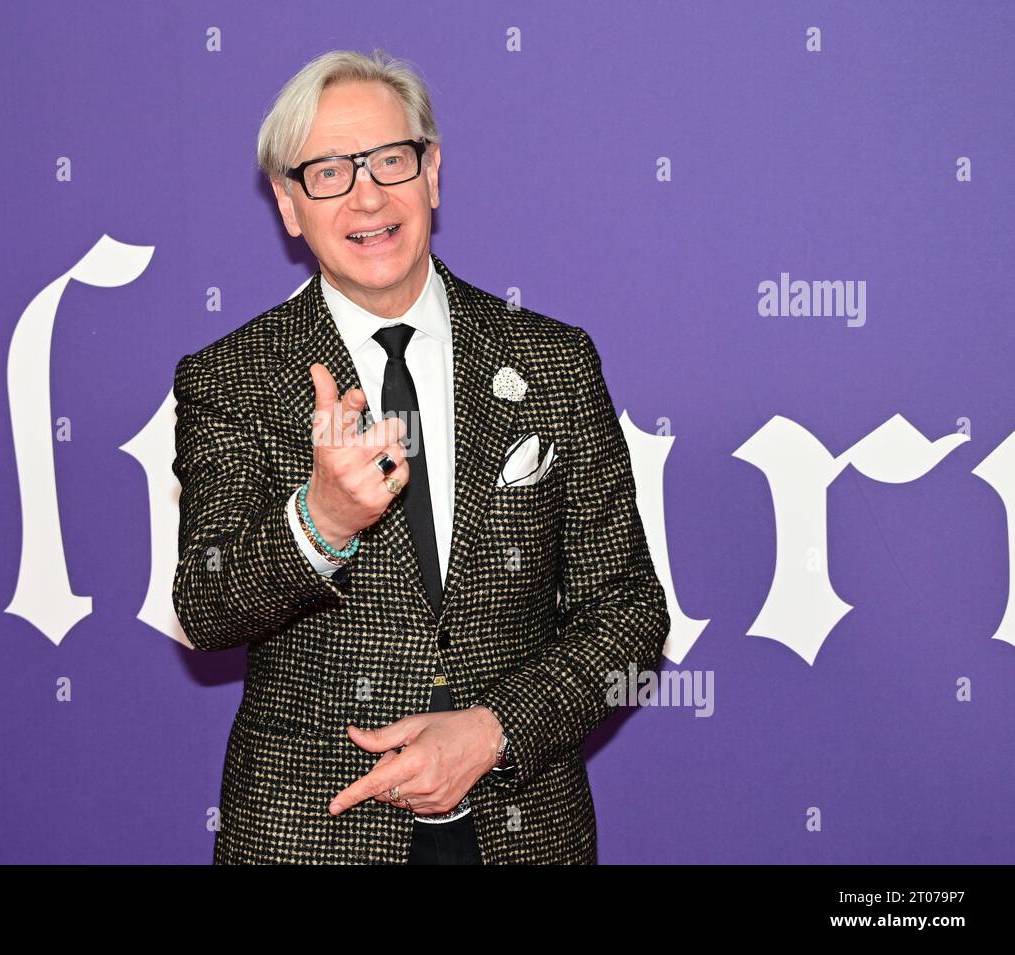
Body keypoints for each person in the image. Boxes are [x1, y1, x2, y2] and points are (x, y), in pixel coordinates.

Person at [172, 49, 669, 864]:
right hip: (313, 832)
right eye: (328, 171)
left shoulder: (552, 362)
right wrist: (321, 520)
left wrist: (495, 730)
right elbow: (206, 602)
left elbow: (629, 609)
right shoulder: (231, 377)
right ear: (289, 206)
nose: (368, 194)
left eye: (390, 161)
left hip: (521, 827)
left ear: (432, 172)